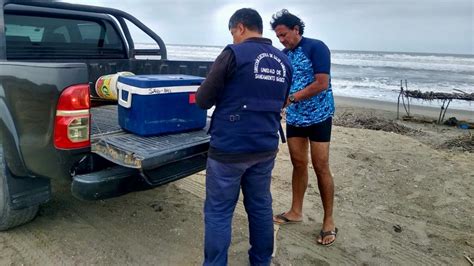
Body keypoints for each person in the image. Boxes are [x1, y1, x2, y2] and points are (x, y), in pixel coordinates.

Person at [196, 8, 292, 266]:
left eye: (233, 33)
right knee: (260, 207)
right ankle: (261, 261)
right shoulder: (284, 61)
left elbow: (204, 100)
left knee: (218, 211)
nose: (233, 37)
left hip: (229, 148)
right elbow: (282, 101)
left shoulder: (233, 53)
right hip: (265, 147)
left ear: (240, 28)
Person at [270, 9, 338, 246]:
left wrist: (292, 98)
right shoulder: (283, 54)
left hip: (319, 115)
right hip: (296, 118)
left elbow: (322, 83)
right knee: (298, 164)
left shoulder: (316, 47)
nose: (281, 40)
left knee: (321, 166)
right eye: (278, 36)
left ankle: (328, 220)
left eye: (284, 34)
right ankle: (295, 211)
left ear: (296, 29)